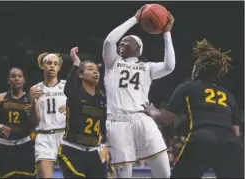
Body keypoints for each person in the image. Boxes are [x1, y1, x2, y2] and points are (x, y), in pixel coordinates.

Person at [142, 39, 244, 178]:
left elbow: (165, 120)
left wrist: (153, 112)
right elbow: (237, 131)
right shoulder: (228, 95)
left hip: (202, 138)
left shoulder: (188, 86)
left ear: (198, 69)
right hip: (231, 143)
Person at [102, 5, 175, 178]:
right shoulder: (112, 63)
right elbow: (109, 42)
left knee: (164, 174)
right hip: (117, 122)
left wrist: (167, 33)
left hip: (142, 118)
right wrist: (135, 19)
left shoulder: (148, 67)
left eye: (127, 42)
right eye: (122, 42)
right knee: (123, 175)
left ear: (138, 48)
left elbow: (169, 66)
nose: (122, 43)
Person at [57, 47, 107, 178]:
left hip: (93, 153)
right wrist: (76, 63)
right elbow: (68, 88)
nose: (96, 72)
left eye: (97, 70)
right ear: (80, 75)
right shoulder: (75, 93)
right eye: (90, 69)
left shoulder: (102, 98)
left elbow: (104, 125)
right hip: (71, 151)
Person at [0, 67, 37, 178]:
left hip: (25, 146)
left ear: (24, 80)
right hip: (4, 147)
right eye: (13, 76)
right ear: (8, 80)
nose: (16, 78)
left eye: (19, 76)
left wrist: (32, 110)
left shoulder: (31, 100)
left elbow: (36, 123)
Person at [29, 53, 67, 178]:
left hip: (66, 136)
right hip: (44, 137)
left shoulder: (67, 86)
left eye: (55, 64)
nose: (52, 66)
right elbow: (34, 121)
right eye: (49, 63)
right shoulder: (35, 89)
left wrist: (71, 108)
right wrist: (34, 102)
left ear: (59, 68)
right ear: (42, 66)